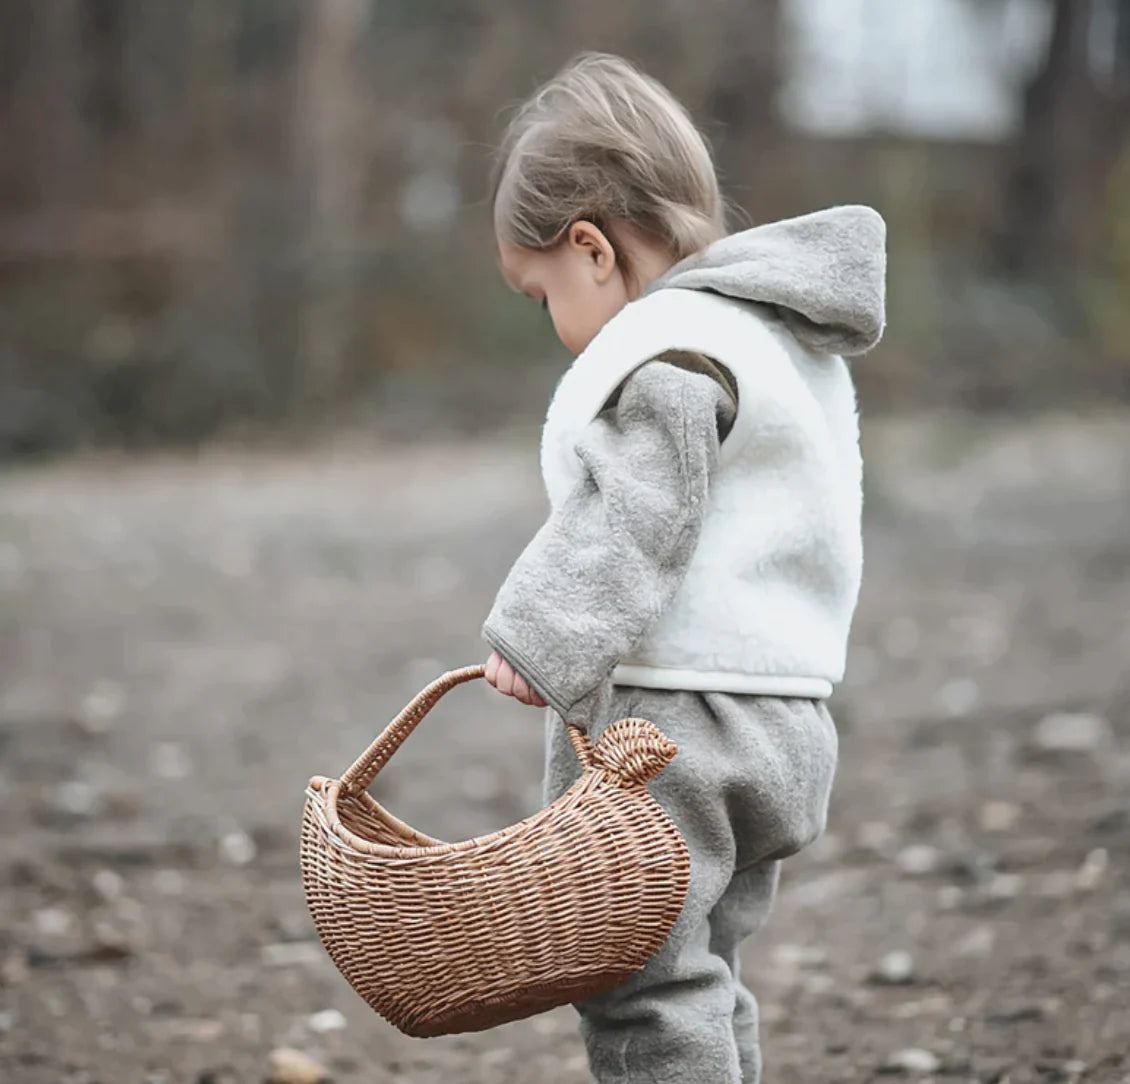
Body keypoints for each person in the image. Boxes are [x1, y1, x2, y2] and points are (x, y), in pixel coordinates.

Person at [481, 51, 886, 1084]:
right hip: (784, 724)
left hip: (675, 732)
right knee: (702, 968)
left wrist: (539, 636)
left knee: (638, 984)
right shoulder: (779, 339)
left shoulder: (663, 351)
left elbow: (636, 513)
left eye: (541, 296)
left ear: (591, 249)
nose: (553, 327)